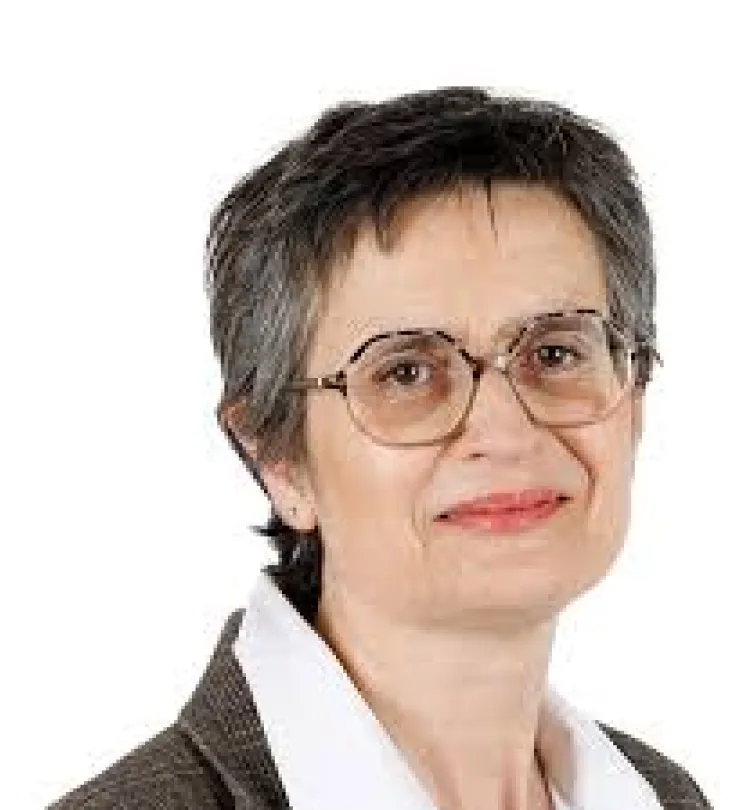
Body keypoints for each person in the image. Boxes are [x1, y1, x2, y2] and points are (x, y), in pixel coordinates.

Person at [50, 86, 712, 809]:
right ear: (278, 459)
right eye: (406, 372)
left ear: (634, 399)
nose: (505, 432)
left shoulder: (666, 795)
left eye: (555, 354)